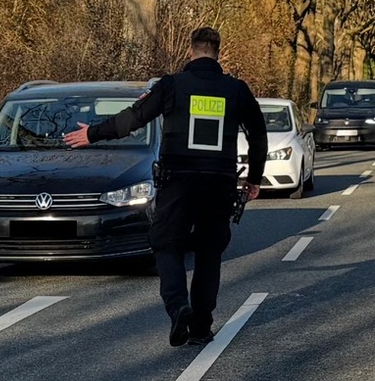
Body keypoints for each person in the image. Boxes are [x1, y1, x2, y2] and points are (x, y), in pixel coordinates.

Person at [64, 27, 267, 347]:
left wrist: (93, 133)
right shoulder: (236, 90)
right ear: (218, 53)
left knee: (166, 243)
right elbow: (258, 134)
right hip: (219, 182)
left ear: (190, 51)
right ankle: (201, 327)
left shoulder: (172, 85)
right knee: (209, 252)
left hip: (179, 180)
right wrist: (254, 178)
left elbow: (134, 118)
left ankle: (178, 307)